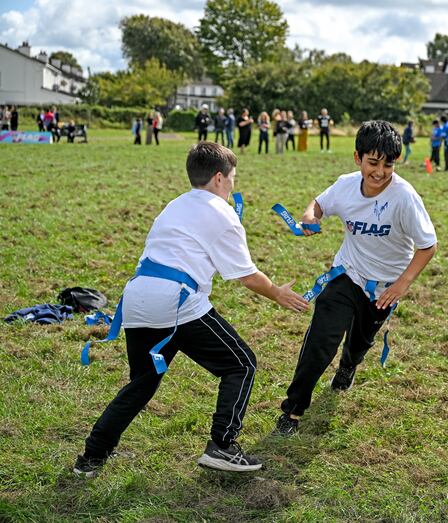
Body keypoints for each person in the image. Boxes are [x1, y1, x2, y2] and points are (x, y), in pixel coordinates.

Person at [72, 142, 309, 478]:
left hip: (138, 297)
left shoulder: (175, 205)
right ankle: (223, 446)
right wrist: (278, 293)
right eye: (232, 179)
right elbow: (246, 275)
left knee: (142, 382)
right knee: (242, 364)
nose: (233, 186)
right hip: (178, 301)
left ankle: (91, 457)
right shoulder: (223, 212)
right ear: (217, 178)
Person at [273, 120, 438, 436]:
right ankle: (292, 411)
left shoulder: (404, 197)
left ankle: (349, 365)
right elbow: (319, 204)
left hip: (384, 288)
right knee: (321, 339)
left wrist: (402, 285)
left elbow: (428, 246)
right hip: (347, 273)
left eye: (387, 165)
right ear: (357, 158)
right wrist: (310, 217)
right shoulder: (346, 184)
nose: (379, 172)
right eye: (372, 163)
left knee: (360, 342)